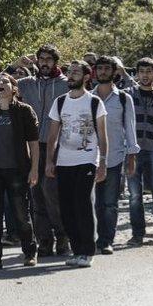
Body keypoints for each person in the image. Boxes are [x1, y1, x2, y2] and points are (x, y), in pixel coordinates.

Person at [45, 61, 108, 268]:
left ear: (86, 77)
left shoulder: (94, 102)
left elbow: (102, 136)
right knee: (67, 207)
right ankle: (76, 249)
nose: (70, 76)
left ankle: (87, 251)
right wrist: (49, 161)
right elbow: (52, 135)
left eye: (75, 72)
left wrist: (103, 163)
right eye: (69, 72)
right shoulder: (60, 102)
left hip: (87, 159)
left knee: (82, 203)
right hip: (64, 161)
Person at [0, 73, 39, 270]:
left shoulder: (24, 111)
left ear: (14, 88)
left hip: (17, 171)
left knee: (21, 215)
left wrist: (34, 169)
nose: (0, 84)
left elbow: (34, 144)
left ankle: (30, 252)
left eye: (5, 82)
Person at [17, 45, 70, 257]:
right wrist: (16, 64)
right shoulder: (28, 84)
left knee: (52, 193)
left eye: (49, 59)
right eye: (41, 59)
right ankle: (44, 241)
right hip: (33, 145)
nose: (45, 63)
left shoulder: (66, 84)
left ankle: (63, 235)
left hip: (57, 145)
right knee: (36, 194)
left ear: (56, 62)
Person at [91, 56, 138, 255]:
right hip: (88, 159)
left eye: (106, 69)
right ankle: (90, 239)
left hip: (114, 157)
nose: (102, 72)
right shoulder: (87, 97)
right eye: (99, 68)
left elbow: (130, 128)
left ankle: (106, 240)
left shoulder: (123, 98)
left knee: (109, 203)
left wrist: (131, 156)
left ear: (114, 72)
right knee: (91, 202)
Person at [124, 58, 153, 244]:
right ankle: (138, 233)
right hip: (132, 151)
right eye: (141, 71)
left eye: (148, 71)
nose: (145, 75)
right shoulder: (128, 95)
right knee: (135, 195)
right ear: (137, 74)